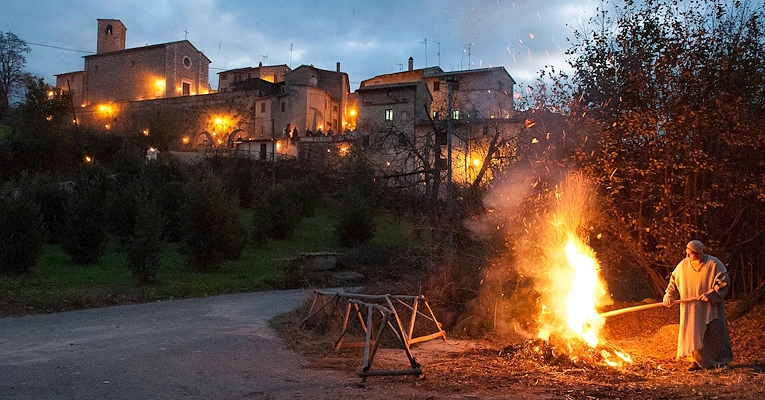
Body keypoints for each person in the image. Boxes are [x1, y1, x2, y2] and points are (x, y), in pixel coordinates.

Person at [663, 240, 733, 371]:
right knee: (693, 332)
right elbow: (673, 281)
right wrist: (669, 295)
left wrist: (711, 294)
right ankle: (696, 361)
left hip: (709, 307)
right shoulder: (683, 265)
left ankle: (719, 361)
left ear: (699, 253)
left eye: (693, 254)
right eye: (688, 253)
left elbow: (723, 281)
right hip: (691, 308)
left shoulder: (713, 264)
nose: (690, 256)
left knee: (713, 333)